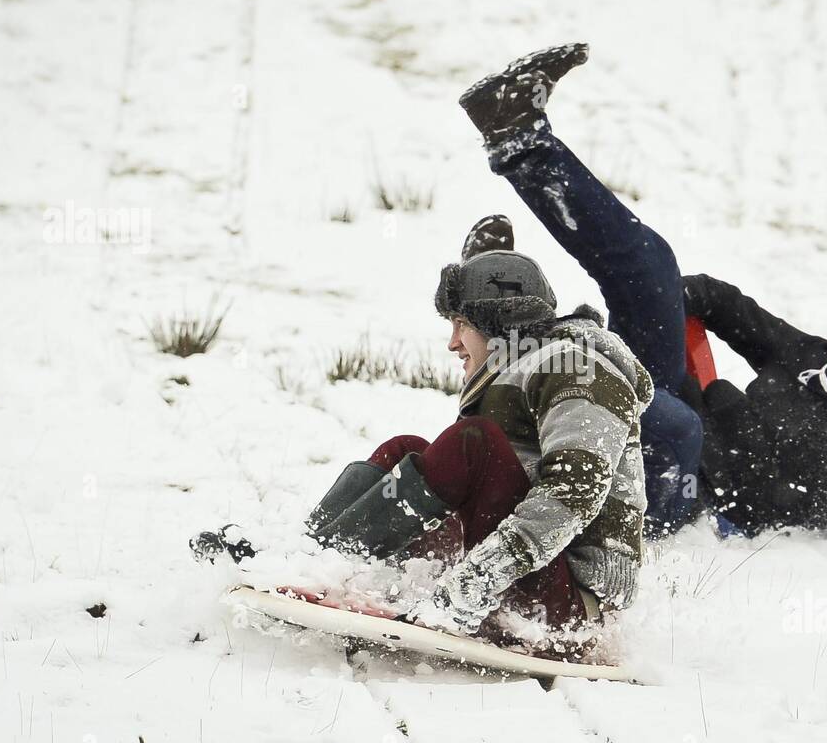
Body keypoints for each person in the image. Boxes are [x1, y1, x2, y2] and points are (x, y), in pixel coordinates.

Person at [457, 43, 827, 566]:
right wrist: (660, 300)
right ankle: (517, 135)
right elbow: (720, 300)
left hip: (684, 499)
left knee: (668, 416)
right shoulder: (810, 359)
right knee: (653, 266)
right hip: (656, 418)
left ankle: (504, 321)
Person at [192, 215, 653, 648]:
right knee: (407, 450)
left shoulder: (581, 370)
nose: (453, 343)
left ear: (501, 323)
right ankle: (310, 557)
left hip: (571, 613)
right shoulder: (526, 364)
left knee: (473, 444)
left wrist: (475, 582)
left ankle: (330, 564)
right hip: (526, 578)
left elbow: (576, 491)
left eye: (462, 325)